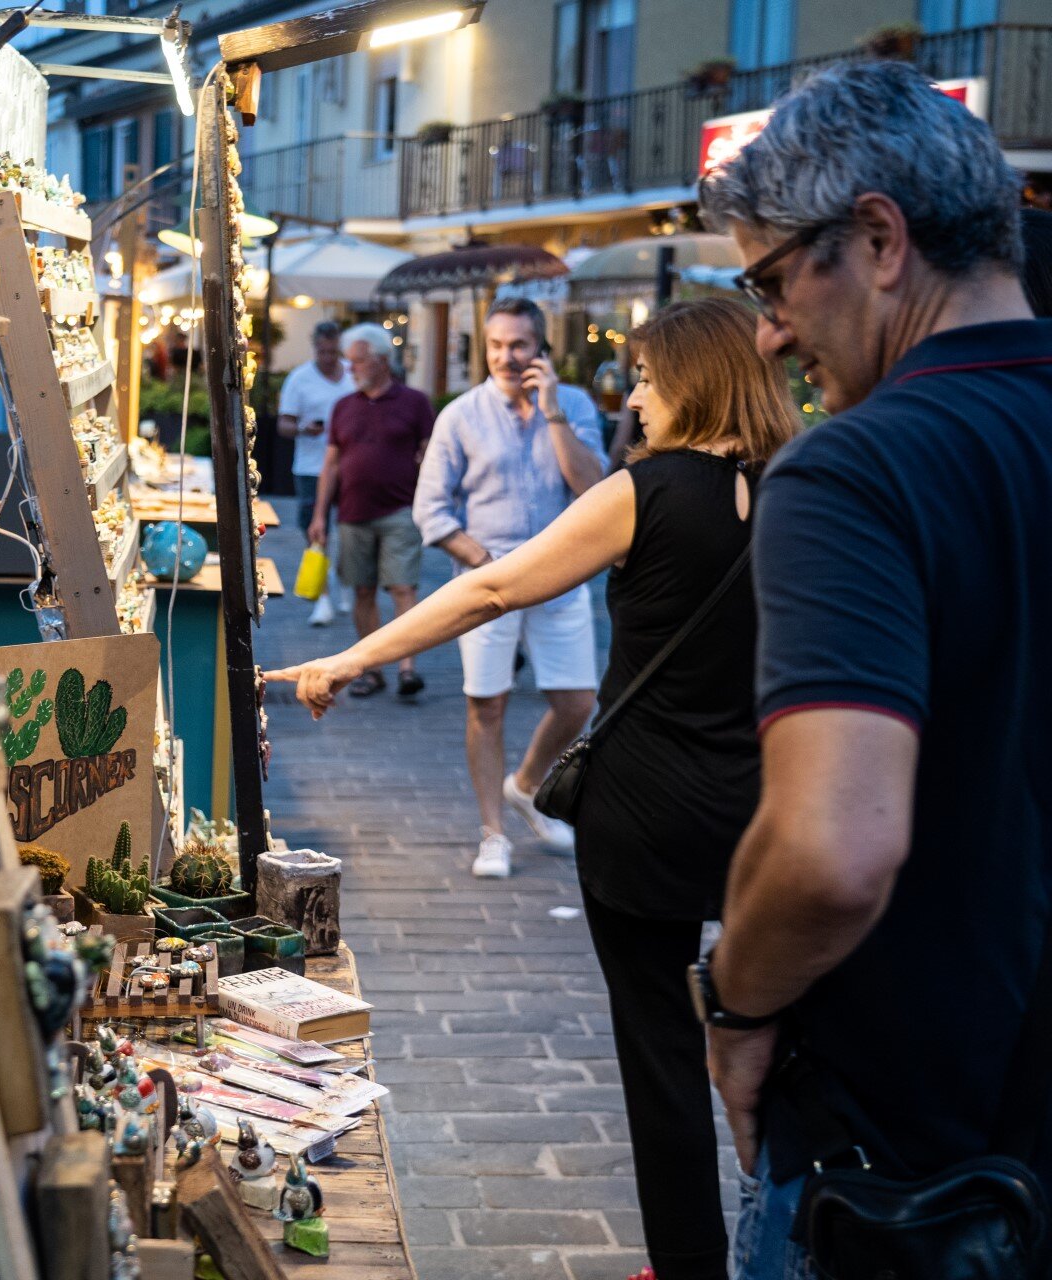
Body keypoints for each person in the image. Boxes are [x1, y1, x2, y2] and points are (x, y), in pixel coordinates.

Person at [271, 298, 797, 1280]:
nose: (633, 397)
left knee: (660, 1054)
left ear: (689, 379)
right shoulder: (805, 486)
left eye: (644, 377)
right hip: (769, 812)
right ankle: (790, 1246)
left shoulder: (646, 491)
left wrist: (349, 658)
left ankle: (690, 1266)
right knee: (788, 1046)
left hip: (642, 813)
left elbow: (493, 586)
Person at [692, 60, 1052, 1276]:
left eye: (774, 276)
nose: (768, 327)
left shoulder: (856, 472)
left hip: (908, 1178)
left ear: (880, 240)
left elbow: (833, 848)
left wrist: (734, 1006)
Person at [410, 297, 605, 877]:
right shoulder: (461, 415)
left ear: (542, 349)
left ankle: (526, 784)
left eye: (518, 344)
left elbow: (596, 488)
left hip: (562, 576)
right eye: (495, 345)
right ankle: (493, 832)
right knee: (487, 705)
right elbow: (431, 509)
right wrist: (485, 561)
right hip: (488, 579)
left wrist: (553, 413)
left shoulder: (572, 405)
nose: (505, 356)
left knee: (579, 703)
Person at [306, 324, 436, 700]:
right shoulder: (344, 407)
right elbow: (330, 465)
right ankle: (372, 668)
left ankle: (407, 668)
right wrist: (319, 516)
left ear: (381, 361)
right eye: (350, 362)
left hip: (401, 510)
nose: (351, 368)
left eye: (358, 361)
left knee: (402, 587)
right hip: (353, 512)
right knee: (362, 590)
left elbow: (431, 453)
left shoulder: (414, 402)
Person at [278, 321, 356, 627]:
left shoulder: (353, 373)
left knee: (351, 531)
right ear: (315, 347)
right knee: (315, 532)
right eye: (322, 351)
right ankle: (323, 599)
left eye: (333, 351)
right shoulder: (300, 379)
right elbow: (284, 424)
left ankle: (346, 581)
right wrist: (302, 429)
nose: (328, 357)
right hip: (312, 467)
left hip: (351, 465)